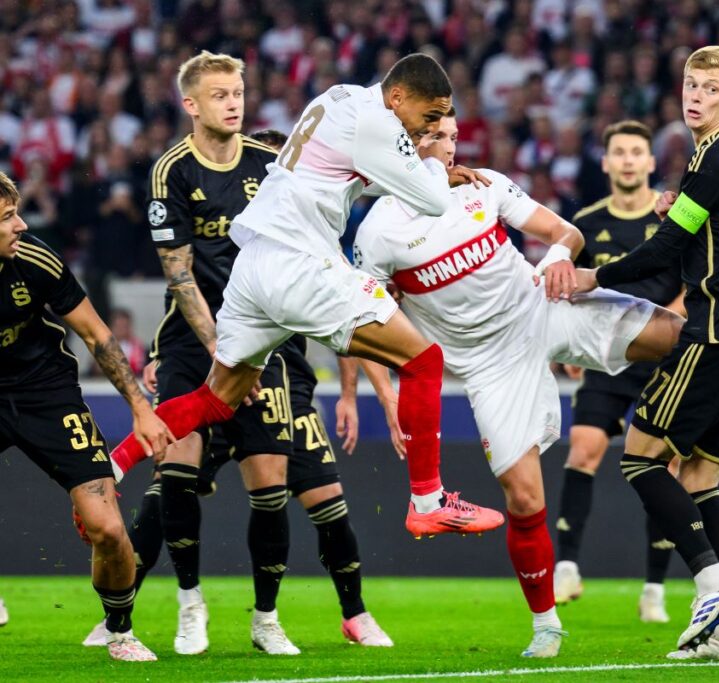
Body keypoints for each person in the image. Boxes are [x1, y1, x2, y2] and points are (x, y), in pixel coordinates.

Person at [105, 53, 504, 541]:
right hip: (302, 264)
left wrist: (427, 168)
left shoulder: (338, 97)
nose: (431, 128)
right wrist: (435, 171)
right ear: (398, 96)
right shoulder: (380, 122)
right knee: (425, 361)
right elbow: (435, 203)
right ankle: (428, 501)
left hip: (253, 267)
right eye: (428, 116)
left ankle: (111, 468)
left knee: (215, 400)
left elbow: (359, 172)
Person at [353, 110, 683, 658]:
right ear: (405, 147)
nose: (450, 149)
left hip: (542, 305)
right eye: (435, 137)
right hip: (489, 368)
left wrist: (556, 257)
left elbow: (566, 232)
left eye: (454, 137)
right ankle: (547, 625)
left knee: (678, 333)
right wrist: (385, 393)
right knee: (526, 499)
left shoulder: (484, 187)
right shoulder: (378, 232)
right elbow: (363, 317)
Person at [81, 117, 390, 653]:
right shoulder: (227, 235)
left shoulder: (307, 235)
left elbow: (350, 313)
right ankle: (123, 609)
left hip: (283, 382)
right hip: (211, 363)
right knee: (168, 489)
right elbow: (184, 288)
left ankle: (348, 613)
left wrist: (349, 393)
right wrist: (164, 356)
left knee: (318, 498)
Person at [574, 46, 719, 661]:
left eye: (709, 88)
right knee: (701, 479)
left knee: (641, 459)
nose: (694, 96)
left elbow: (666, 250)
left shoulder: (714, 157)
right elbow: (716, 228)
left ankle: (713, 584)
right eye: (689, 85)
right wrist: (684, 215)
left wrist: (597, 275)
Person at [0, 170, 172, 661]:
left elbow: (97, 334)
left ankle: (119, 629)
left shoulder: (35, 260)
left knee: (110, 529)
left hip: (44, 392)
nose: (20, 226)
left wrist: (141, 409)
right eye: (8, 217)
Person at [551, 120, 687, 624]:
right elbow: (569, 284)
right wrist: (568, 340)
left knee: (662, 467)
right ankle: (566, 565)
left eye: (637, 152)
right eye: (619, 153)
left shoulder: (673, 215)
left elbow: (692, 282)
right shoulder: (584, 221)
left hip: (663, 360)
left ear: (651, 162)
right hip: (607, 357)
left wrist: (672, 323)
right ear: (606, 163)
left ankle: (654, 588)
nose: (628, 160)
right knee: (583, 448)